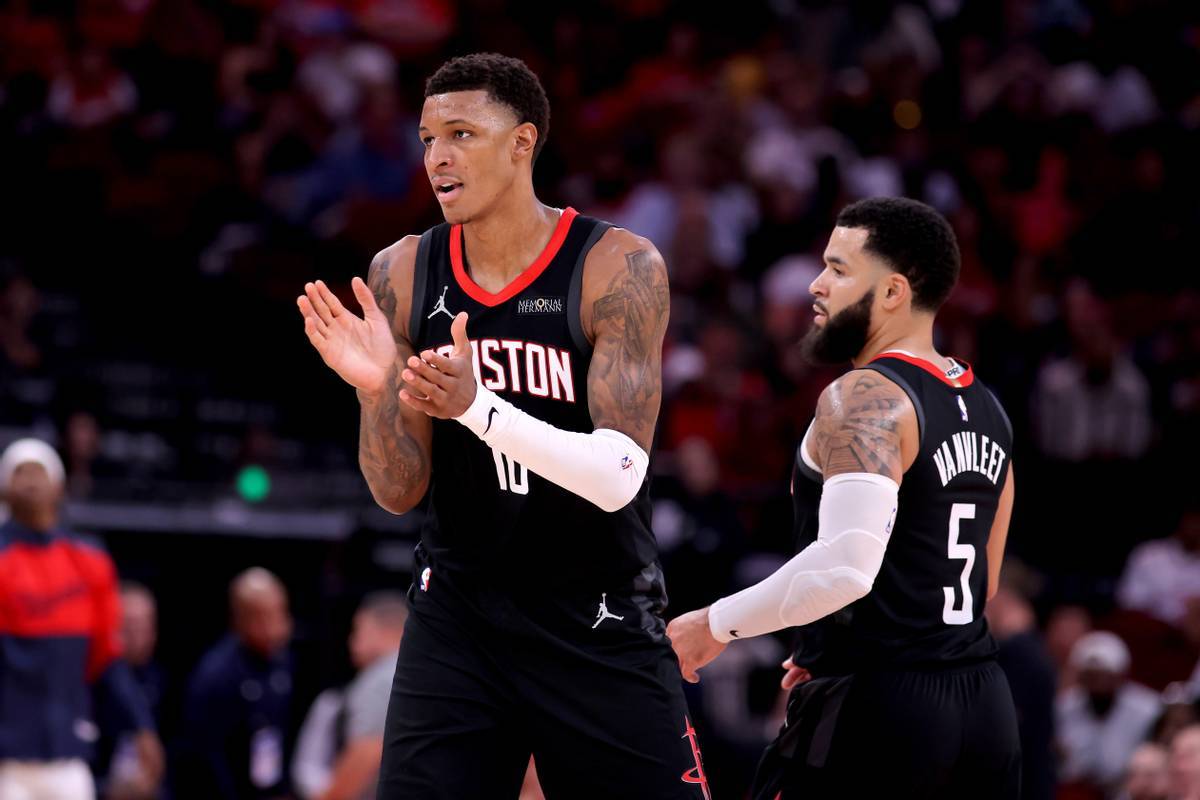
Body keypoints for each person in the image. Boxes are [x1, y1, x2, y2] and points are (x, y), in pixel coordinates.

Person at [297, 52, 709, 799]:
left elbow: (619, 477)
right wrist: (377, 389)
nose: (437, 157)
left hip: (595, 611)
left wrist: (477, 409)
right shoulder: (402, 270)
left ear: (523, 142)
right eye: (428, 139)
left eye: (461, 134)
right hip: (460, 614)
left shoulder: (614, 266)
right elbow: (397, 490)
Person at [667, 197, 1020, 799]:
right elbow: (979, 584)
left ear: (893, 292)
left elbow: (845, 568)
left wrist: (714, 624)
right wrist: (833, 638)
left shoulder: (864, 395)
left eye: (837, 268)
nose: (816, 284)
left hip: (885, 713)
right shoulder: (988, 406)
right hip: (984, 710)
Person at [0, 437, 163, 800]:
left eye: (39, 471)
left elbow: (108, 658)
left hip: (68, 754)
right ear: (4, 489)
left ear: (59, 485)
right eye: (20, 472)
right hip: (6, 760)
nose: (30, 481)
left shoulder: (90, 561)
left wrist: (142, 727)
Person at [174, 568, 293, 800]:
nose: (276, 626)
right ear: (240, 619)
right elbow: (206, 758)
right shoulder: (216, 675)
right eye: (264, 616)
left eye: (280, 613)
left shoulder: (283, 661)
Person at [292, 592, 408, 800]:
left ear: (385, 630)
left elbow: (366, 752)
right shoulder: (419, 675)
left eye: (358, 630)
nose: (351, 642)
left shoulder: (381, 679)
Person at [1057, 631, 1161, 792]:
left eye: (1103, 676)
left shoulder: (1148, 709)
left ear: (1120, 675)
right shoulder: (1064, 708)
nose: (1097, 685)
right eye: (1090, 676)